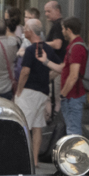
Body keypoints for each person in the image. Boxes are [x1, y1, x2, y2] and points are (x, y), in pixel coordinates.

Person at [38, 16, 88, 137]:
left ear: (69, 30)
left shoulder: (76, 48)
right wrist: (45, 61)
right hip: (71, 97)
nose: (62, 32)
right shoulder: (73, 46)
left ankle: (75, 155)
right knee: (71, 129)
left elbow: (73, 76)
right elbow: (63, 68)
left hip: (72, 97)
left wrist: (63, 94)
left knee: (73, 131)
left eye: (63, 29)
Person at [14, 19, 51, 167]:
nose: (23, 30)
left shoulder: (30, 50)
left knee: (23, 125)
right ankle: (34, 160)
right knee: (37, 127)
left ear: (31, 31)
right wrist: (46, 79)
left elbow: (25, 71)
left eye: (26, 28)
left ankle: (22, 159)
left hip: (28, 92)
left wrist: (19, 90)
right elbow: (57, 68)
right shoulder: (47, 48)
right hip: (42, 91)